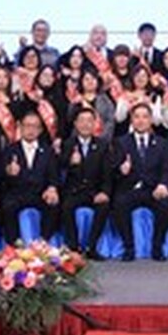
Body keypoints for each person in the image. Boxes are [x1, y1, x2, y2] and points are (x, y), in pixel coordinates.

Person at [112, 103, 168, 261]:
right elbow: (112, 170)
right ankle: (129, 248)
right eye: (137, 117)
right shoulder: (121, 142)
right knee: (119, 203)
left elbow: (167, 169)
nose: (141, 121)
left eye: (145, 117)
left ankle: (157, 247)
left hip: (153, 189)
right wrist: (121, 171)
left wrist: (162, 185)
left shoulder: (162, 143)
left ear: (151, 120)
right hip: (129, 188)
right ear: (131, 120)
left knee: (166, 203)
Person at [59, 107, 113, 259]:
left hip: (94, 191)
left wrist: (104, 192)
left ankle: (91, 247)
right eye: (81, 121)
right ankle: (73, 247)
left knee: (103, 206)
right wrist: (70, 162)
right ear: (75, 124)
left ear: (95, 124)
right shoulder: (67, 144)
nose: (85, 124)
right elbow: (59, 168)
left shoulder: (103, 145)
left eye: (89, 121)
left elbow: (107, 174)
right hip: (73, 191)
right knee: (66, 207)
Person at [0, 112, 61, 244]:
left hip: (40, 193)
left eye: (35, 126)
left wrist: (52, 188)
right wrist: (8, 172)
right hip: (17, 193)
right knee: (8, 206)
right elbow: (1, 177)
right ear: (20, 127)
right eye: (27, 126)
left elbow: (54, 175)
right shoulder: (9, 150)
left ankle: (44, 243)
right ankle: (14, 244)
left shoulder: (48, 151)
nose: (31, 130)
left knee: (53, 204)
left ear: (40, 130)